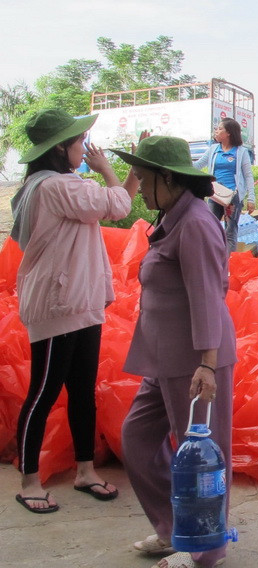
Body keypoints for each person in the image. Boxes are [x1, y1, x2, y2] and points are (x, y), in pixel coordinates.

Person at [113, 136, 237, 568]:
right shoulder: (173, 217)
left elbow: (207, 295)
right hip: (164, 360)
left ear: (167, 178)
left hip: (196, 362)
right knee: (137, 439)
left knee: (202, 458)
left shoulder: (196, 223)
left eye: (143, 179)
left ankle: (205, 548)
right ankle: (175, 528)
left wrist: (207, 364)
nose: (139, 191)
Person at [9, 108, 138, 513]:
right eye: (80, 141)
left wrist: (131, 171)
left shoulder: (50, 185)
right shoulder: (55, 186)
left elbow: (117, 203)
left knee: (83, 390)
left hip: (78, 302)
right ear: (59, 148)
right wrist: (108, 170)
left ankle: (85, 470)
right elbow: (117, 205)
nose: (86, 147)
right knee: (43, 392)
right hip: (59, 304)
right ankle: (30, 481)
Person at [194, 117, 255, 252]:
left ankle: (229, 261)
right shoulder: (213, 149)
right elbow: (197, 165)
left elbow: (248, 176)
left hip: (232, 196)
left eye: (220, 129)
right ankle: (212, 257)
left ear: (228, 133)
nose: (216, 131)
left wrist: (251, 198)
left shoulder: (241, 152)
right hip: (214, 194)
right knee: (209, 227)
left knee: (230, 231)